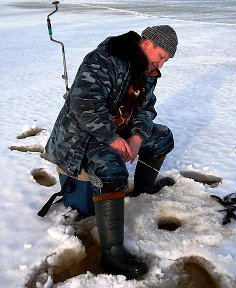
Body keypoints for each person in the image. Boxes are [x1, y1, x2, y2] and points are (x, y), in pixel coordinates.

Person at [44, 25, 178, 279]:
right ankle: (112, 253)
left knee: (162, 138)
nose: (162, 64)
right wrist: (112, 138)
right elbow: (84, 103)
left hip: (118, 130)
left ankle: (143, 189)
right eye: (161, 56)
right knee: (112, 168)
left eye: (166, 60)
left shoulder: (148, 71)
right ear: (147, 44)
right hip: (81, 137)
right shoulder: (106, 58)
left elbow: (146, 109)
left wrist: (136, 138)